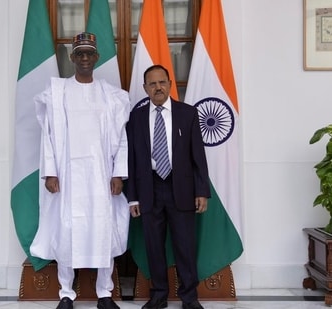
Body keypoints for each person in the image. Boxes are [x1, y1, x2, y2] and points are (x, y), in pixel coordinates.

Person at [29, 32, 130, 309]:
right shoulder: (58, 92)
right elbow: (48, 135)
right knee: (66, 230)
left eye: (89, 54)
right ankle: (65, 293)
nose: (85, 58)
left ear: (96, 58)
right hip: (68, 176)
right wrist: (51, 172)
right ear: (72, 58)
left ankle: (105, 294)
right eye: (80, 54)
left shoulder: (111, 96)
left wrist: (118, 173)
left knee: (102, 228)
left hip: (101, 175)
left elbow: (121, 138)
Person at [126, 64, 211, 309]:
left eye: (162, 82)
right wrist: (133, 198)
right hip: (149, 189)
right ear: (145, 89)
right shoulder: (137, 117)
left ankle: (189, 297)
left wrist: (201, 191)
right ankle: (159, 295)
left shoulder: (187, 113)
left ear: (170, 84)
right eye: (152, 84)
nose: (158, 87)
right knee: (154, 246)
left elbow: (198, 156)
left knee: (184, 245)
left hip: (181, 189)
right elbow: (131, 158)